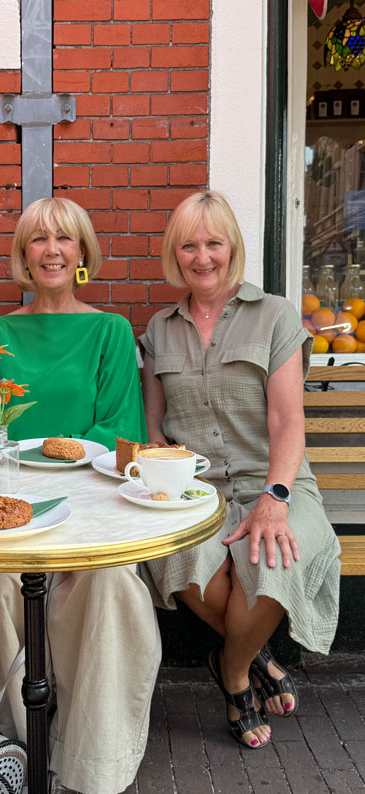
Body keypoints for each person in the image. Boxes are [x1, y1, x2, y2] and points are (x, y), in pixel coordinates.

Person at [0, 197, 161, 794]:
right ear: (23, 253)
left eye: (64, 240)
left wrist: (41, 449)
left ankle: (90, 764)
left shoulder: (111, 330)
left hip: (93, 504)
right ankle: (16, 747)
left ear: (81, 254)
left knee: (108, 582)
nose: (51, 250)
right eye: (38, 239)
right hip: (10, 506)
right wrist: (31, 459)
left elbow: (122, 433)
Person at [139, 190, 341, 750]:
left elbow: (286, 419)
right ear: (174, 254)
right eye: (189, 246)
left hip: (273, 479)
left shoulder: (274, 314)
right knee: (184, 561)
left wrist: (275, 497)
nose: (202, 257)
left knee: (276, 554)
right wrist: (165, 494)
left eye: (214, 243)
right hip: (194, 491)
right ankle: (258, 656)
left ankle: (231, 673)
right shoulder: (159, 330)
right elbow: (155, 433)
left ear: (233, 248)